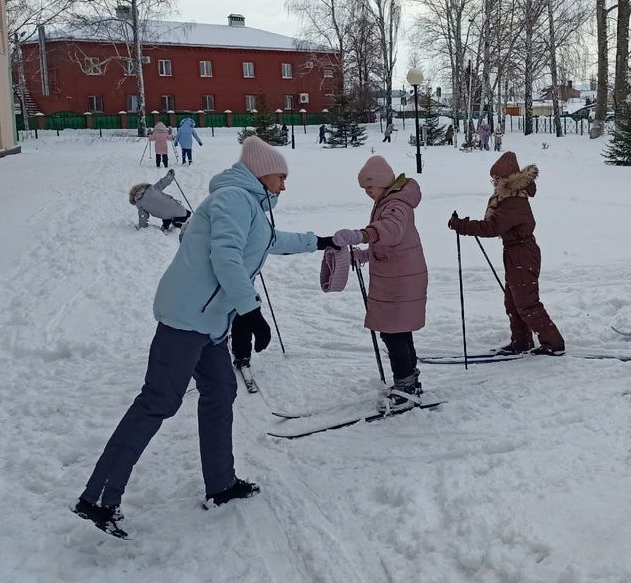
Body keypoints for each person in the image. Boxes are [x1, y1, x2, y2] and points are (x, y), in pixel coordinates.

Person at [74, 137, 343, 537]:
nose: (284, 185)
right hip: (186, 318)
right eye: (280, 176)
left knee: (220, 391)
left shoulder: (251, 205)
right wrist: (250, 310)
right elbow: (226, 257)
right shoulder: (234, 198)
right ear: (259, 171)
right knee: (158, 402)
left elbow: (269, 241)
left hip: (209, 324)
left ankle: (221, 483)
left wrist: (319, 241)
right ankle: (97, 497)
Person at [321, 155, 428, 407]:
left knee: (393, 333)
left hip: (400, 280)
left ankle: (406, 388)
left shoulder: (396, 205)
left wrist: (361, 235)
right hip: (398, 276)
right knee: (398, 331)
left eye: (369, 186)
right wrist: (366, 254)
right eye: (364, 188)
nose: (367, 192)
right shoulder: (389, 201)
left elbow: (390, 230)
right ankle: (409, 380)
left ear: (381, 182)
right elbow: (392, 243)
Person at [449, 151, 566, 355]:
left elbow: (491, 228)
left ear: (510, 179)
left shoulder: (514, 202)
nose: (494, 182)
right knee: (513, 302)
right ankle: (522, 342)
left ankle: (554, 344)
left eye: (498, 178)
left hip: (522, 253)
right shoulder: (508, 198)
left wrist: (463, 226)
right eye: (492, 178)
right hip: (515, 252)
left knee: (527, 303)